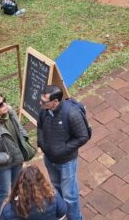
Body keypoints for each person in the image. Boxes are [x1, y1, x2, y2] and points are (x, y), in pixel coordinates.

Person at [37, 85, 90, 220]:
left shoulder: (71, 114)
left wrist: (63, 150)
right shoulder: (44, 110)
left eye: (44, 101)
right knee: (56, 187)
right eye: (41, 100)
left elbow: (83, 136)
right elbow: (40, 126)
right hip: (49, 158)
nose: (40, 103)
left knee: (70, 196)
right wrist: (41, 143)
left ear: (55, 102)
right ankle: (62, 212)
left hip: (66, 162)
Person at [0, 166, 67, 220]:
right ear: (42, 181)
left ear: (20, 185)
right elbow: (62, 212)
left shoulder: (9, 210)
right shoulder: (53, 196)